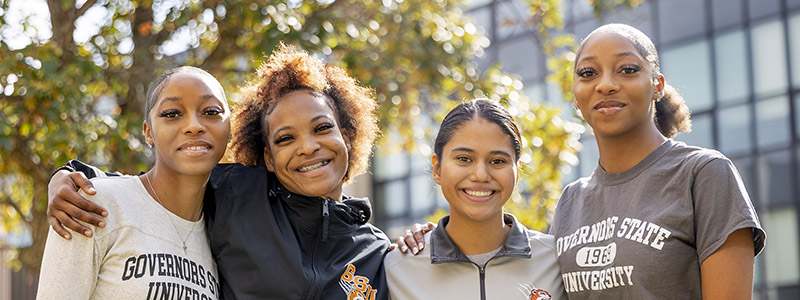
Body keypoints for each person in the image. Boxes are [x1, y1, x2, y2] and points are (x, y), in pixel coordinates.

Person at [45, 44, 392, 300]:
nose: (307, 147)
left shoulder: (378, 253)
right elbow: (154, 186)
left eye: (321, 129)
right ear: (267, 157)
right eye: (286, 138)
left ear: (347, 136)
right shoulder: (239, 195)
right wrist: (65, 176)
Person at [548, 23, 766, 299]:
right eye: (588, 73)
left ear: (657, 86)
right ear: (576, 96)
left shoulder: (703, 174)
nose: (605, 85)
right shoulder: (570, 200)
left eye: (627, 70)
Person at [37, 66, 229, 299]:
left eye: (210, 111)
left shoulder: (224, 237)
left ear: (229, 129)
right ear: (148, 132)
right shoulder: (92, 204)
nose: (194, 125)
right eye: (172, 113)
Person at [384, 99, 565, 299]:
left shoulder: (558, 260)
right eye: (464, 159)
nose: (480, 175)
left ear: (517, 171)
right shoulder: (395, 269)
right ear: (437, 169)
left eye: (498, 161)